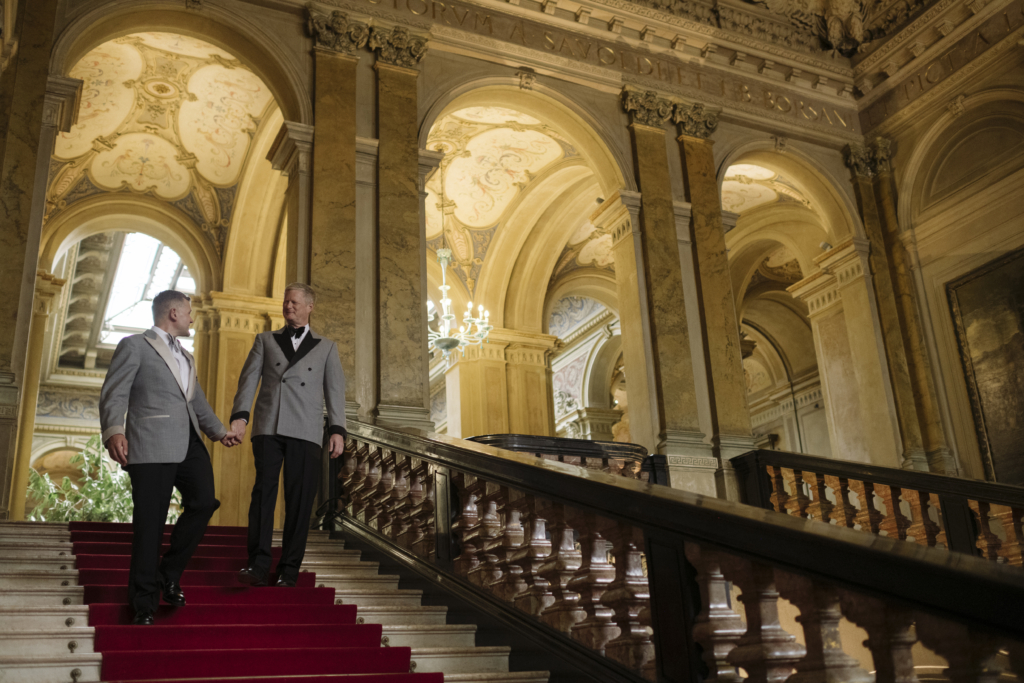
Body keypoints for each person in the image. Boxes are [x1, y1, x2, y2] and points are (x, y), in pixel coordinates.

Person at [99, 290, 240, 625]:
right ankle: (143, 603)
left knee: (205, 502)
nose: (193, 318)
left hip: (190, 443)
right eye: (189, 312)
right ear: (174, 313)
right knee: (150, 524)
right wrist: (114, 431)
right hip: (149, 443)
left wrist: (220, 432)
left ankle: (169, 571)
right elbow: (114, 391)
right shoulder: (134, 345)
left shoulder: (187, 357)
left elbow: (196, 402)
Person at [227, 283, 346, 587]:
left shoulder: (327, 347)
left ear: (310, 307)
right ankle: (257, 563)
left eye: (294, 303)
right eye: (285, 302)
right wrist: (240, 416)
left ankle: (289, 569)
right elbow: (248, 381)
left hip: (306, 430)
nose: (288, 306)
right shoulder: (265, 340)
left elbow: (335, 391)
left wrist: (337, 429)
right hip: (269, 425)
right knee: (263, 495)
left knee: (300, 500)